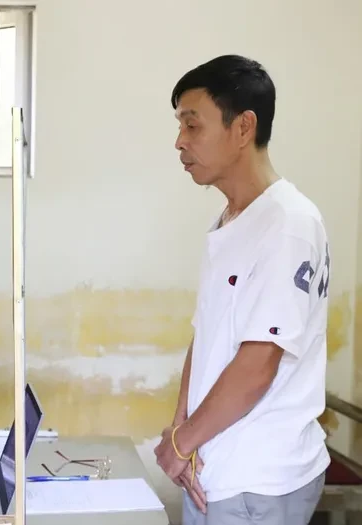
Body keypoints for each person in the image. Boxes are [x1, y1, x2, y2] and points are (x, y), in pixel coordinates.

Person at [153, 55, 331, 525]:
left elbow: (258, 364)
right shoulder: (234, 218)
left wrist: (180, 444)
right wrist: (180, 430)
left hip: (259, 481)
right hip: (213, 463)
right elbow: (207, 334)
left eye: (193, 126)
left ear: (243, 127)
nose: (180, 142)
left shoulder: (287, 224)